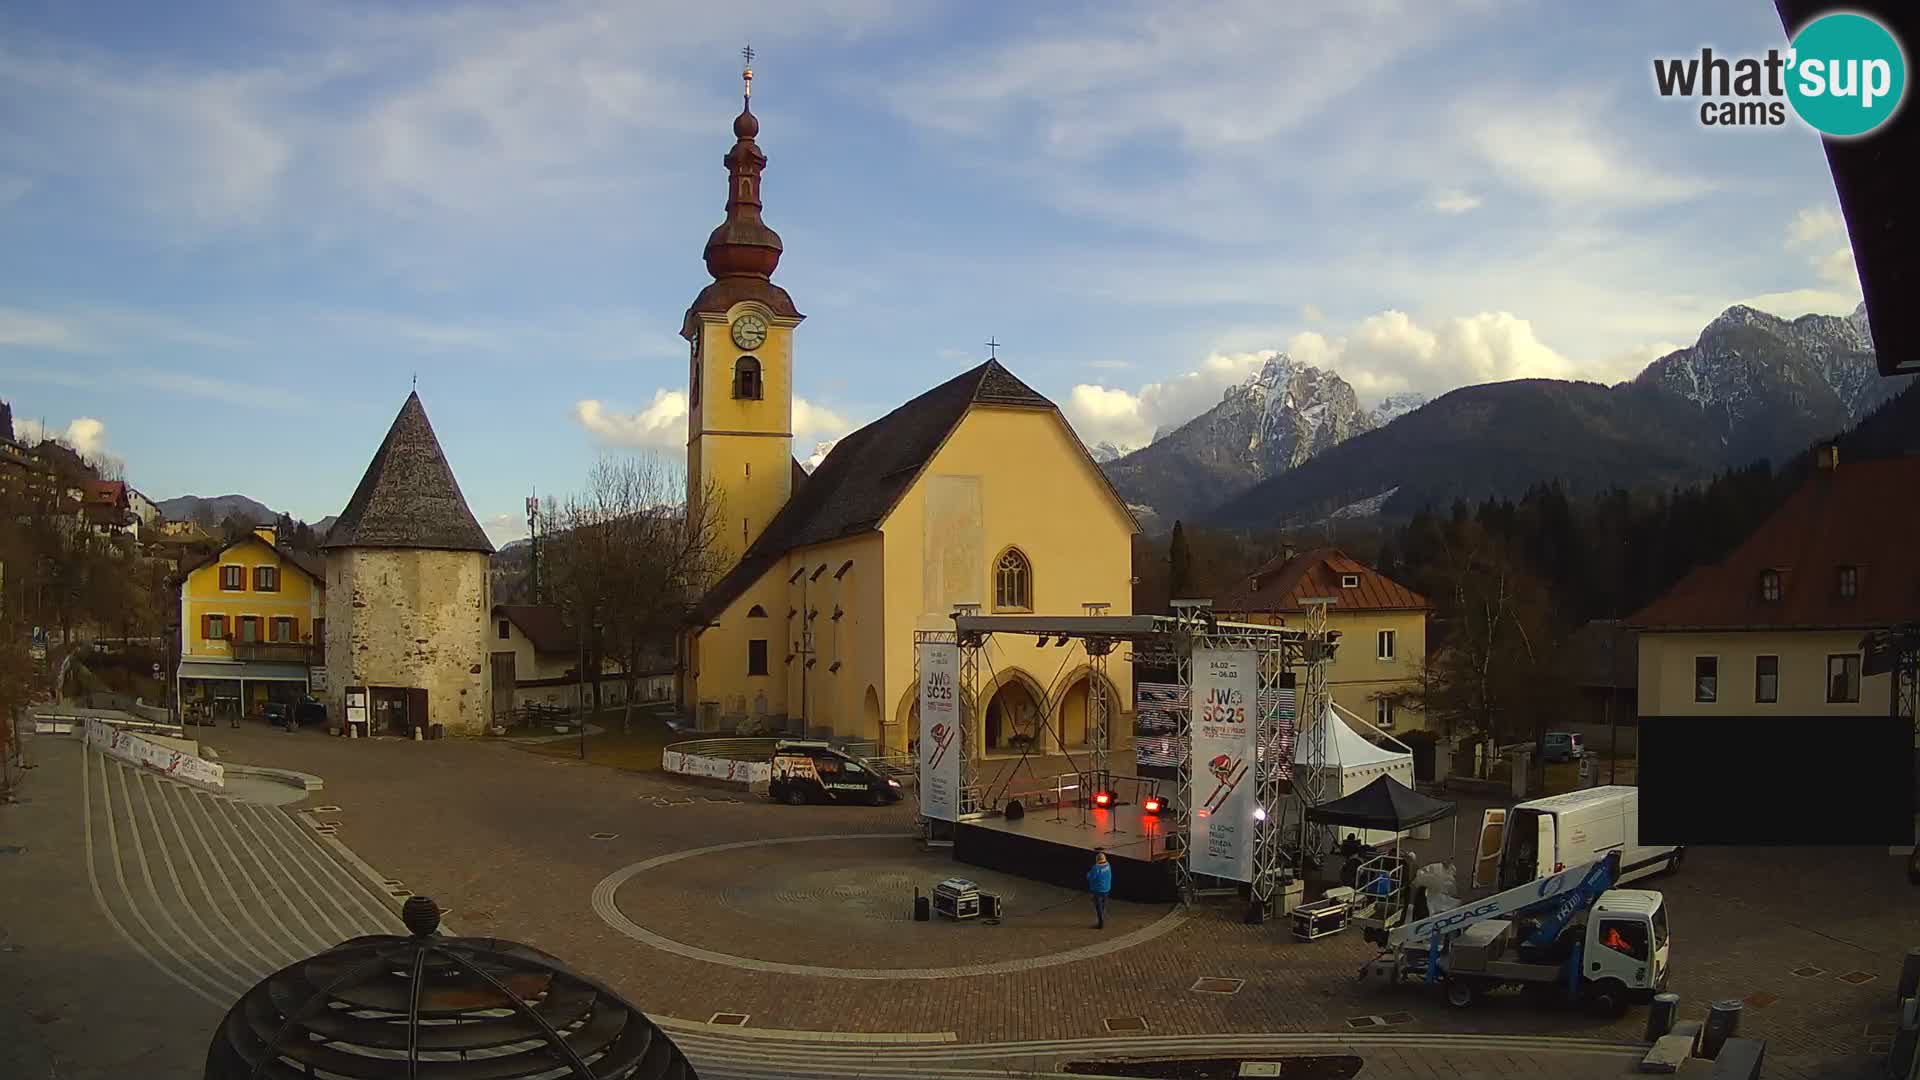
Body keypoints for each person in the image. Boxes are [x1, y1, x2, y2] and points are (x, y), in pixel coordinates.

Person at [1087, 849, 1113, 929]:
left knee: (1098, 907)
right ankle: (1102, 918)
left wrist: (1088, 874)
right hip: (1106, 888)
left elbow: (1091, 877)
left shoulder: (1096, 868)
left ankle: (1100, 923)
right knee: (1103, 905)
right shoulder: (1108, 865)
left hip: (1097, 890)